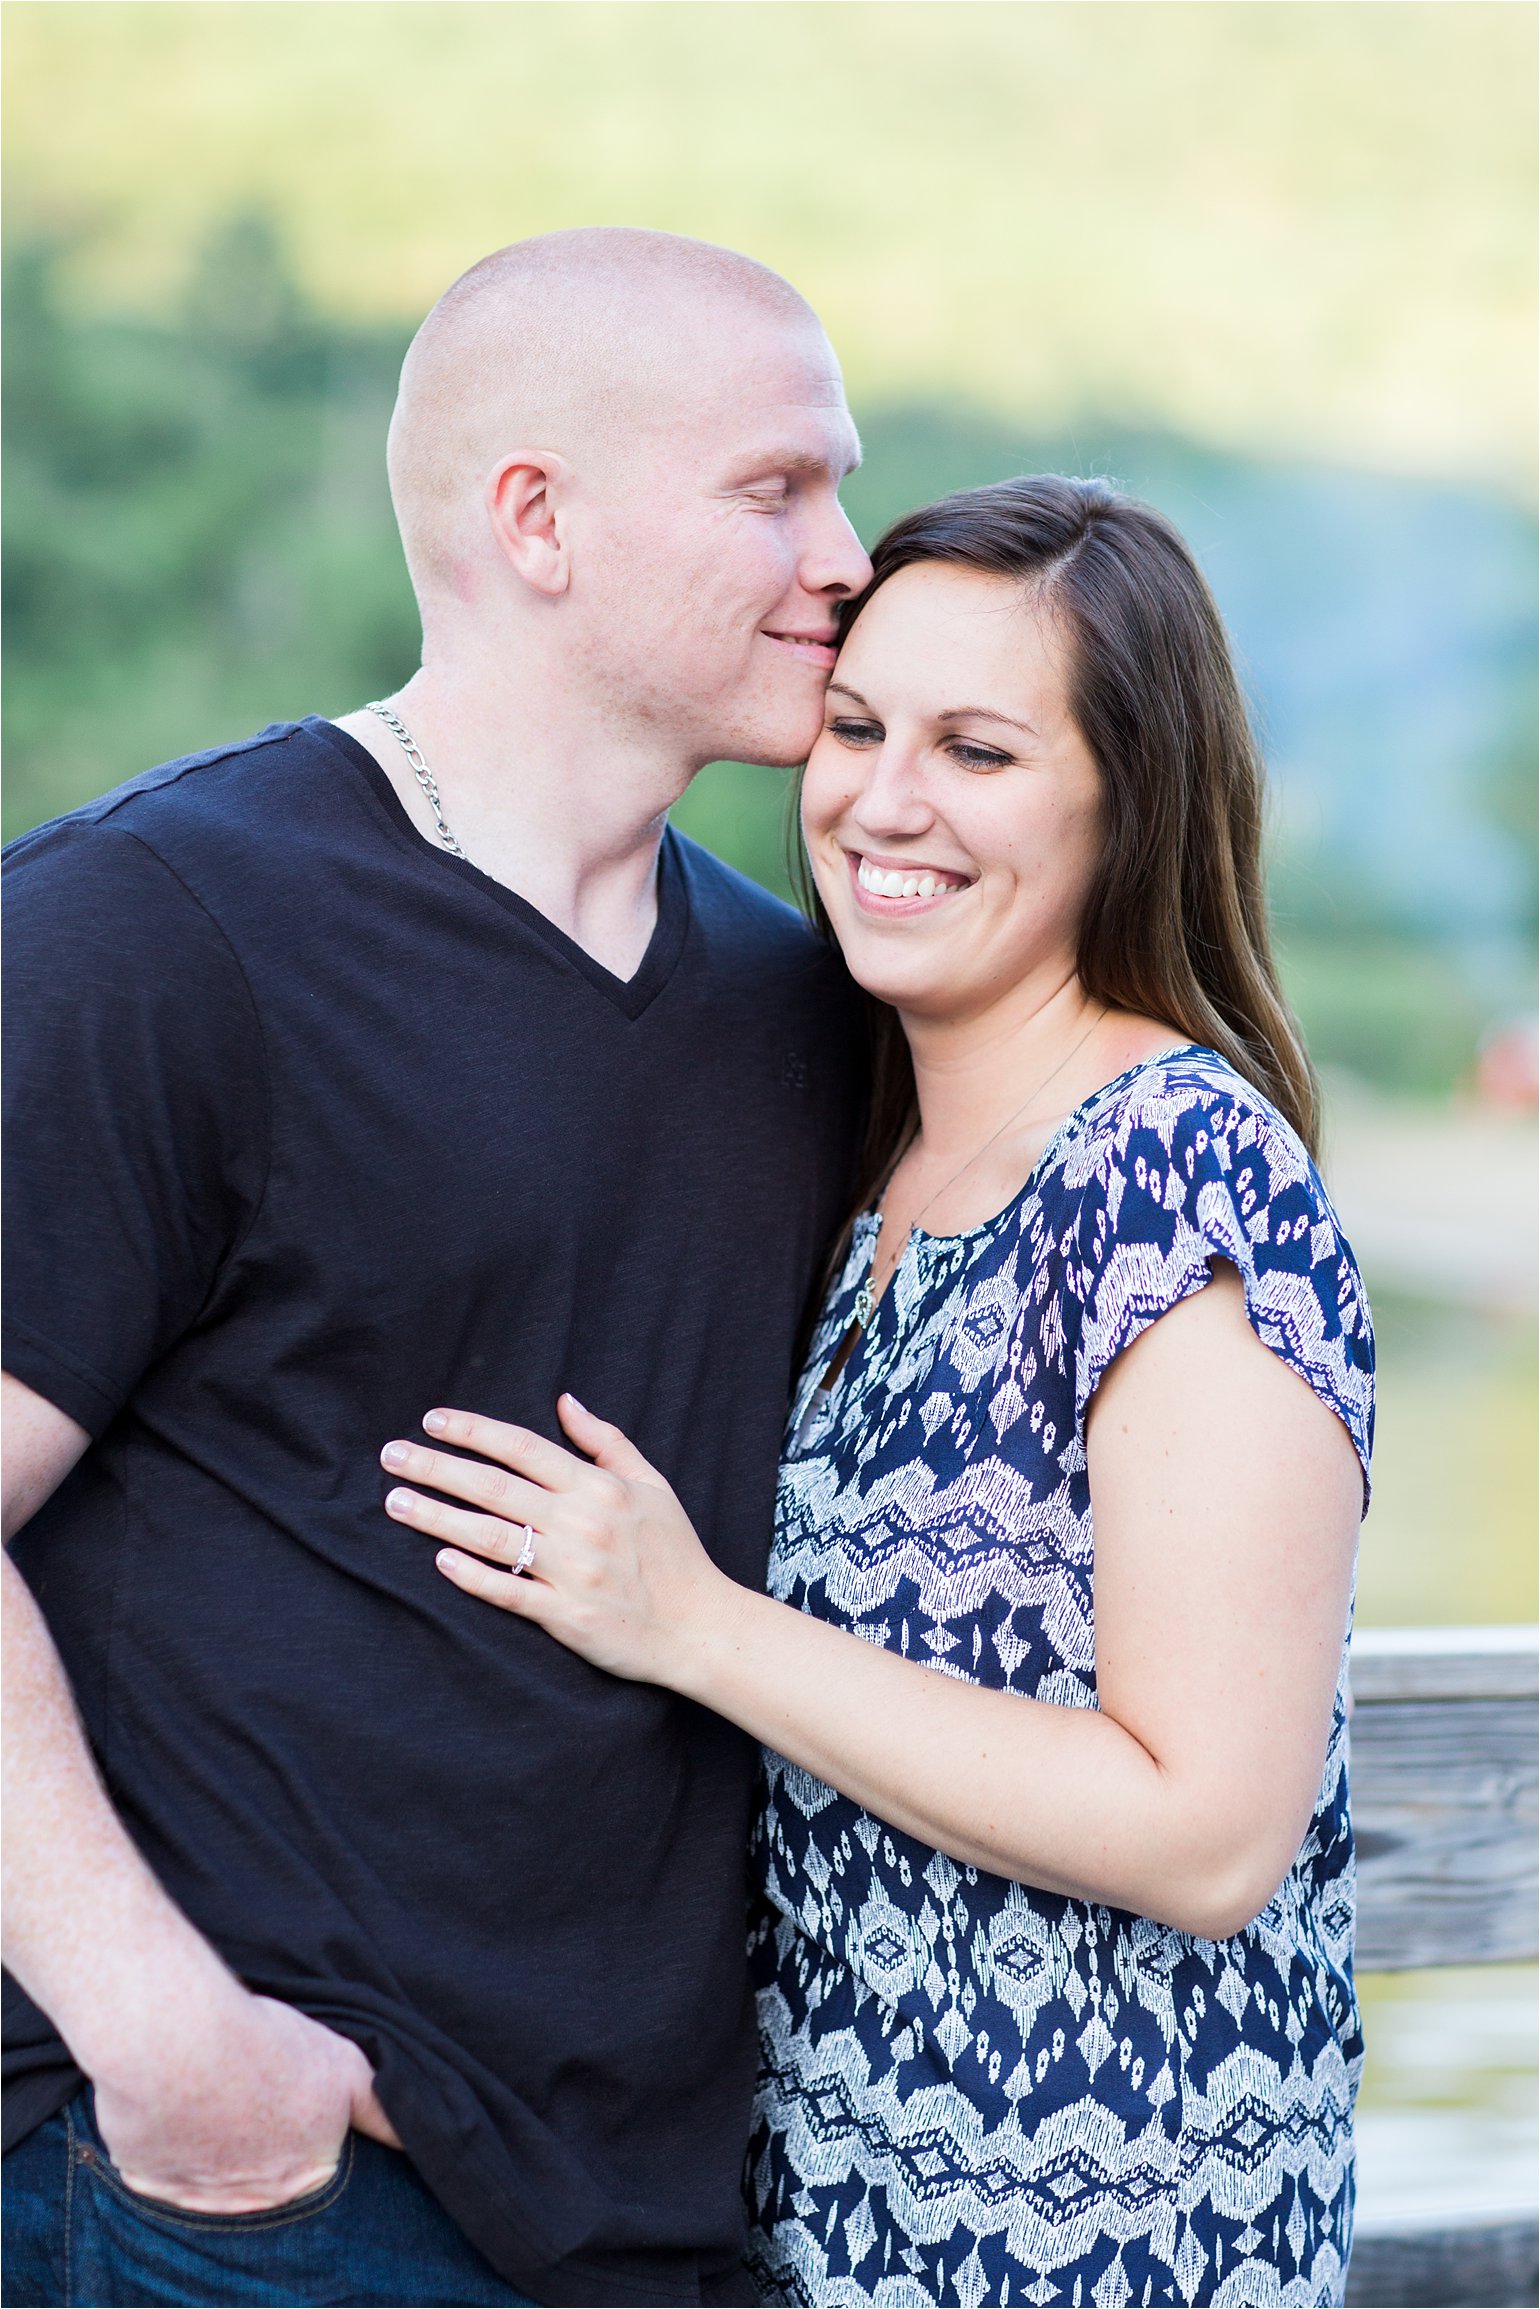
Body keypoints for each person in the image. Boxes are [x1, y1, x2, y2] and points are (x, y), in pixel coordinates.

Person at [376, 477, 1376, 2309]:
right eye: (854, 726)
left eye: (979, 750)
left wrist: (689, 1620)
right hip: (818, 2233)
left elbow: (1209, 1828)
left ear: (1126, 793)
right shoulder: (868, 1146)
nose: (882, 800)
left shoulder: (1181, 1180)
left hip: (1104, 2241)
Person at [1, 228, 874, 2309]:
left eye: (840, 483)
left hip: (650, 2213)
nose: (845, 555)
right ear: (533, 519)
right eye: (775, 489)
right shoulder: (158, 929)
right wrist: (173, 2044)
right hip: (249, 2198)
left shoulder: (791, 1009)